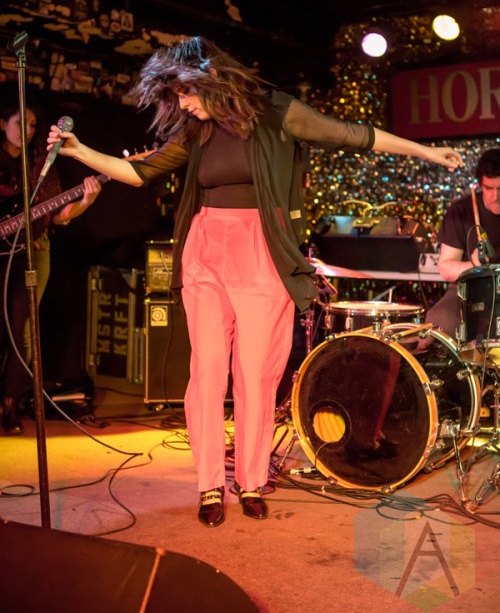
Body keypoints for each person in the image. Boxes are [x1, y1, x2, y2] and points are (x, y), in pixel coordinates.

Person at [46, 35, 463, 527]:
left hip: (262, 252)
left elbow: (352, 134)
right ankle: (208, 485)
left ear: (210, 77)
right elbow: (139, 172)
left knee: (255, 374)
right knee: (206, 372)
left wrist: (426, 153)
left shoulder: (276, 112)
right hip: (205, 251)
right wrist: (80, 151)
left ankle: (249, 480)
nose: (183, 103)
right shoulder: (195, 130)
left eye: (185, 92)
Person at [0, 94, 102, 435]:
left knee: (22, 331)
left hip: (31, 253)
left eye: (32, 125)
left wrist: (86, 202)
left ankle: (10, 404)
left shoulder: (40, 163)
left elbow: (58, 215)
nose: (28, 131)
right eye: (21, 123)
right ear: (2, 124)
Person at [425, 147, 500, 338]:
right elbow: (446, 268)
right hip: (469, 289)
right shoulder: (460, 212)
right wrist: (473, 264)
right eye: (488, 188)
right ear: (480, 185)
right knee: (440, 319)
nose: (495, 197)